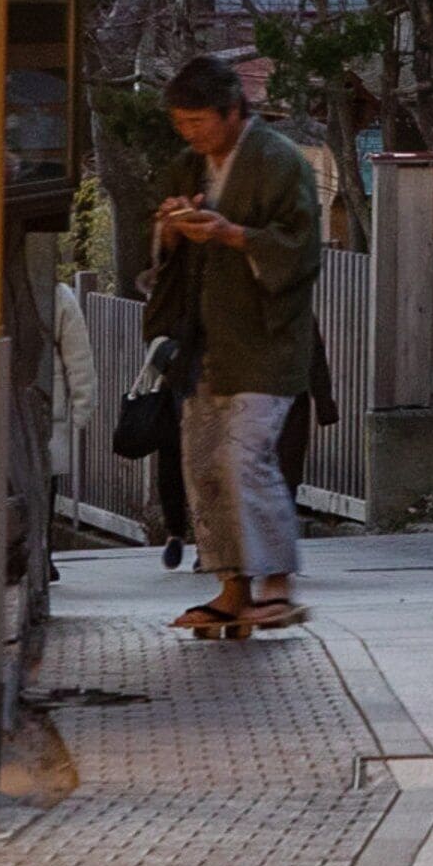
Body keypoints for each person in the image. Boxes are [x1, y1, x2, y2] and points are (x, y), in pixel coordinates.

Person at [149, 54, 323, 633]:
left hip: (266, 336)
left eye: (199, 121)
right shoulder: (187, 167)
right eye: (182, 124)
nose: (190, 134)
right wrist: (171, 226)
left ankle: (277, 582)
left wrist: (234, 235)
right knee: (204, 465)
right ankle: (231, 587)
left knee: (246, 458)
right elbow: (163, 253)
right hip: (203, 337)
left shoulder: (279, 162)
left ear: (232, 111)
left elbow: (298, 247)